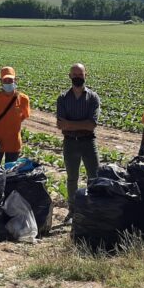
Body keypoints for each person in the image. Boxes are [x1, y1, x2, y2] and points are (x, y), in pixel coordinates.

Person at [56, 63, 100, 223]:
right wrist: (82, 124)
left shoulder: (93, 97)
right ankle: (73, 211)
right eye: (74, 75)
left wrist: (71, 124)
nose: (77, 77)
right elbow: (61, 124)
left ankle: (92, 209)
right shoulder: (62, 98)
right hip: (70, 143)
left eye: (80, 75)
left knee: (94, 177)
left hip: (89, 142)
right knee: (72, 178)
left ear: (85, 76)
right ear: (69, 76)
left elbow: (92, 124)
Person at [0, 66, 30, 164]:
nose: (8, 82)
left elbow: (24, 116)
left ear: (16, 80)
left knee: (10, 173)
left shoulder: (23, 99)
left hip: (13, 144)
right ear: (1, 81)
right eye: (5, 80)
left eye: (11, 80)